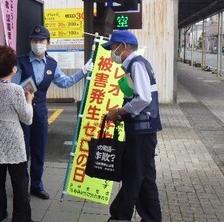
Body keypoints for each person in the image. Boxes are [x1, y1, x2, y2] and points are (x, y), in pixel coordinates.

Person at [12, 25, 93, 200]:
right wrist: (24, 91)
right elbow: (13, 87)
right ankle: (21, 188)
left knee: (39, 150)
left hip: (40, 112)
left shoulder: (52, 64)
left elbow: (64, 82)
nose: (38, 44)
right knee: (22, 152)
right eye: (34, 41)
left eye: (41, 40)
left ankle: (36, 185)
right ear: (30, 43)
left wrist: (83, 72)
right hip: (22, 112)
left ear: (48, 43)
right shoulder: (21, 62)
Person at [102, 30, 162, 222]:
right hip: (143, 130)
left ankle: (119, 217)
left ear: (124, 46)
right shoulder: (136, 65)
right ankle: (152, 218)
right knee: (145, 179)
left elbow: (143, 98)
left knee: (133, 177)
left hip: (142, 132)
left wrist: (119, 112)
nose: (112, 51)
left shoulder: (136, 65)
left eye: (113, 47)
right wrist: (124, 115)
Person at [0, 45, 34, 222]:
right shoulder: (16, 90)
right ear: (13, 67)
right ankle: (20, 218)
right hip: (12, 144)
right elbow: (27, 118)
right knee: (19, 183)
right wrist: (29, 100)